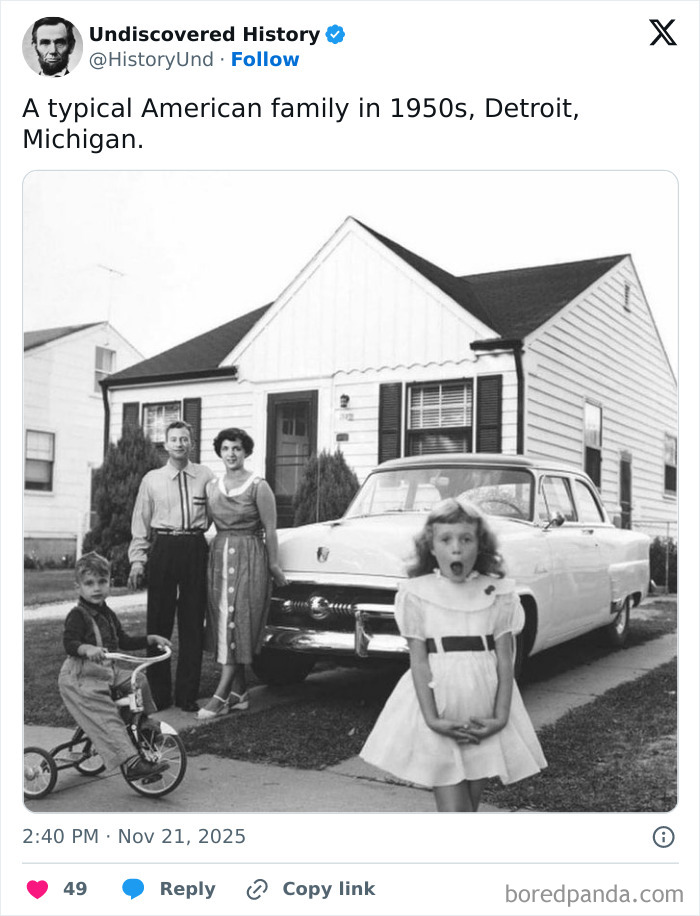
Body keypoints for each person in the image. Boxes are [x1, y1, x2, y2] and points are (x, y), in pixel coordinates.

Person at [360, 497, 546, 812]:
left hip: (482, 712)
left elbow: (505, 660)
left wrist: (500, 718)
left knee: (468, 809)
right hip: (440, 711)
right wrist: (432, 719)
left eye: (466, 539)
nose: (456, 549)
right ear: (431, 547)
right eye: (446, 540)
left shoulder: (499, 594)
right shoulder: (417, 594)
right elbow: (418, 661)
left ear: (479, 546)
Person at [196, 427, 287, 719]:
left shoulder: (259, 486)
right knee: (222, 619)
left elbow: (270, 530)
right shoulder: (212, 486)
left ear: (246, 452)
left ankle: (220, 696)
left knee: (239, 620)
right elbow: (204, 522)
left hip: (249, 556)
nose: (231, 454)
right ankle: (240, 692)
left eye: (236, 448)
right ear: (219, 453)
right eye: (225, 449)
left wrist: (274, 566)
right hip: (219, 556)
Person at [58, 552, 172, 778]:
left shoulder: (107, 613)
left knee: (138, 680)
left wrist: (149, 639)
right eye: (89, 583)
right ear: (78, 587)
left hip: (106, 671)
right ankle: (131, 763)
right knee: (107, 714)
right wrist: (87, 649)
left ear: (109, 582)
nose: (96, 588)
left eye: (102, 581)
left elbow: (123, 640)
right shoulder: (77, 615)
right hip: (80, 677)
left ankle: (143, 723)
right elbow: (69, 643)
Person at [128, 420, 214, 711]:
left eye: (184, 439)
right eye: (174, 439)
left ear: (191, 443)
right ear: (165, 445)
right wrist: (138, 560)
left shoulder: (205, 476)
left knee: (192, 622)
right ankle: (160, 694)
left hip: (194, 547)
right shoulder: (152, 479)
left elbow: (217, 516)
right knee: (159, 621)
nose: (179, 443)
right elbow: (140, 522)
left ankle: (187, 694)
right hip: (164, 547)